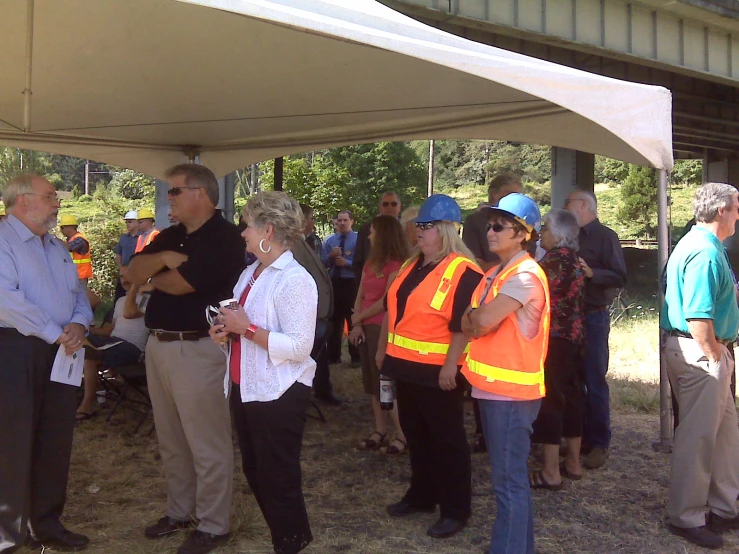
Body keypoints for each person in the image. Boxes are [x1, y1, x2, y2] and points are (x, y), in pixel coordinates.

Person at [127, 164, 244, 554]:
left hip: (198, 348)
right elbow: (132, 272)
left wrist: (155, 272)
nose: (168, 198)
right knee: (172, 438)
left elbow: (182, 284)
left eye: (175, 191)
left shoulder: (226, 237)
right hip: (159, 345)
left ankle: (213, 523)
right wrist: (161, 262)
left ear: (201, 192)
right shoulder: (172, 235)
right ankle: (181, 511)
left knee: (206, 440)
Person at [209, 191, 316, 554]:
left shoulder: (294, 279)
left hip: (279, 392)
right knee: (256, 471)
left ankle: (290, 542)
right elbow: (241, 326)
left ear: (267, 230)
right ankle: (291, 536)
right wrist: (224, 333)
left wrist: (246, 330)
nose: (242, 233)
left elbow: (300, 347)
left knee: (277, 477)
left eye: (247, 226)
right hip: (247, 387)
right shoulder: (250, 273)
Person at [378, 194, 483, 539]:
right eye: (417, 225)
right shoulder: (412, 265)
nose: (417, 231)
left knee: (447, 441)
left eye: (425, 226)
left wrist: (451, 366)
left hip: (439, 373)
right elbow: (397, 314)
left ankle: (456, 509)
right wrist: (386, 352)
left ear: (445, 230)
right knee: (417, 436)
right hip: (406, 368)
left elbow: (462, 326)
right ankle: (422, 495)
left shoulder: (463, 270)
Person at [0, 174, 93, 553]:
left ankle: (47, 525)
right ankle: (8, 534)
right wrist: (56, 331)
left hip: (61, 348)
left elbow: (78, 294)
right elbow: (6, 300)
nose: (57, 203)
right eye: (50, 196)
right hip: (15, 349)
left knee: (55, 439)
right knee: (12, 440)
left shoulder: (56, 247)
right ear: (22, 202)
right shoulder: (3, 240)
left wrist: (79, 324)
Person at [461, 193, 548, 554]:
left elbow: (477, 320)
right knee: (508, 482)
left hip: (511, 396)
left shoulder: (525, 275)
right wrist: (475, 320)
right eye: (489, 224)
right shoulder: (497, 272)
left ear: (523, 233)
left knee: (508, 483)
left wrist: (475, 319)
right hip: (496, 391)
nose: (490, 231)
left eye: (499, 226)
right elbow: (470, 321)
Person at [660, 182, 739, 550]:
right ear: (722, 210)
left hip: (705, 351)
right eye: (736, 207)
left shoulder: (699, 244)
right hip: (701, 353)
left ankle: (723, 507)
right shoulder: (705, 252)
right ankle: (687, 516)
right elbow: (697, 313)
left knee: (724, 435)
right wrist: (714, 355)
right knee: (698, 438)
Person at [564, 188, 626, 470]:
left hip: (593, 317)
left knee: (594, 380)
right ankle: (580, 438)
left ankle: (600, 443)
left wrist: (592, 274)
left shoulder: (606, 237)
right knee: (574, 380)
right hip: (570, 318)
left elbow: (619, 276)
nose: (565, 207)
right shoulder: (571, 235)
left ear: (584, 206)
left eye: (568, 203)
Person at [530, 209, 585, 489]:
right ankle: (573, 462)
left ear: (559, 234)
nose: (541, 234)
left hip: (552, 339)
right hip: (575, 338)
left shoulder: (549, 264)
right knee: (573, 396)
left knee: (550, 399)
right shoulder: (575, 260)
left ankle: (551, 471)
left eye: (546, 229)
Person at [349, 215, 408, 455]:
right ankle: (380, 430)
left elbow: (387, 301)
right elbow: (361, 293)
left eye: (373, 231)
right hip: (366, 327)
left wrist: (359, 318)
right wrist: (356, 323)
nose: (369, 236)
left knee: (387, 383)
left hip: (384, 329)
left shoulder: (396, 265)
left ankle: (402, 435)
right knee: (374, 384)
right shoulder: (370, 264)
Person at [76, 275, 150, 420]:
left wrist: (135, 287)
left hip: (132, 349)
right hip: (112, 342)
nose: (125, 280)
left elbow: (129, 313)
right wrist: (87, 330)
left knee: (90, 356)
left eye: (128, 275)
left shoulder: (149, 300)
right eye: (122, 277)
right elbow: (110, 330)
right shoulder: (121, 300)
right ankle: (74, 397)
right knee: (77, 339)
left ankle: (87, 405)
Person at [299, 204, 339, 405]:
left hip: (317, 312)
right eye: (311, 218)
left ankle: (322, 389)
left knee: (319, 355)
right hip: (308, 313)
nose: (313, 222)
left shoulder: (310, 241)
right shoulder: (294, 245)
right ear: (302, 220)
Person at [462, 174, 523, 272]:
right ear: (494, 194)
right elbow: (474, 266)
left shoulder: (523, 222)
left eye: (519, 196)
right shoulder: (475, 221)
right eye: (511, 194)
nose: (516, 200)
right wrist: (512, 261)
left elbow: (529, 257)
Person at [322, 210, 359, 365]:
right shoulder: (330, 241)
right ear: (335, 222)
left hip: (351, 284)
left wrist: (347, 264)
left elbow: (363, 264)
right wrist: (330, 257)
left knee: (353, 320)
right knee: (334, 321)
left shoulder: (358, 240)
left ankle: (356, 357)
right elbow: (322, 263)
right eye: (340, 220)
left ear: (352, 221)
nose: (342, 223)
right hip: (334, 284)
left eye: (345, 220)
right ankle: (333, 356)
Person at [353, 191, 402, 287]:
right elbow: (358, 262)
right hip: (369, 287)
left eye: (394, 204)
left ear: (400, 207)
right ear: (380, 207)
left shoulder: (404, 228)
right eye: (385, 204)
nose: (390, 207)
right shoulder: (366, 229)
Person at [59, 213, 93, 287]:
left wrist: (54, 239)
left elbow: (67, 248)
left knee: (79, 298)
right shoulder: (70, 240)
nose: (60, 230)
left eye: (62, 227)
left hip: (80, 277)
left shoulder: (80, 240)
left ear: (70, 227)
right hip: (74, 276)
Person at [113, 210, 140, 302]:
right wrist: (121, 269)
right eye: (127, 222)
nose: (127, 224)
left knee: (136, 297)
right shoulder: (123, 238)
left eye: (130, 221)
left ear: (137, 222)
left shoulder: (143, 237)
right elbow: (118, 253)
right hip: (124, 273)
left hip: (137, 273)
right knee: (119, 297)